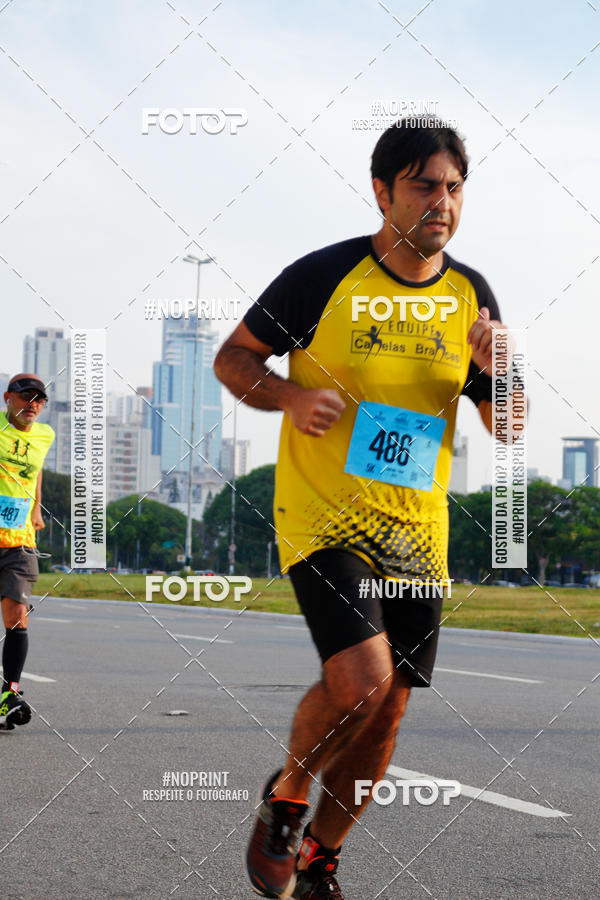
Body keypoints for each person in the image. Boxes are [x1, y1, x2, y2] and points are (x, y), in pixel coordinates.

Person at [214, 118, 520, 899]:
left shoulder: (471, 294)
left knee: (386, 717)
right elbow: (233, 358)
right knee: (361, 683)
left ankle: (321, 856)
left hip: (416, 532)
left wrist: (503, 368)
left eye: (453, 187)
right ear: (383, 190)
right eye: (424, 185)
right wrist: (288, 395)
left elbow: (508, 426)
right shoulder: (324, 276)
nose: (441, 202)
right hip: (324, 517)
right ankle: (286, 797)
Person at [0, 374, 54, 731]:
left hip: (19, 540)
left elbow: (35, 473)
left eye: (38, 400)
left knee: (17, 614)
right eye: (25, 398)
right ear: (8, 398)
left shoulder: (45, 435)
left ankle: (9, 693)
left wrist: (37, 508)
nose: (32, 404)